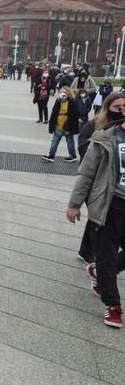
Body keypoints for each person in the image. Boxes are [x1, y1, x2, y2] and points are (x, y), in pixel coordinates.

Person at [66, 112, 125, 328]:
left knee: (106, 264)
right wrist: (74, 204)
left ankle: (99, 271)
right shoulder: (105, 137)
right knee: (106, 257)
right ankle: (113, 305)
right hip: (109, 208)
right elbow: (86, 174)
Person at [76, 95, 125, 264]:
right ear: (107, 106)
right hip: (98, 180)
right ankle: (94, 255)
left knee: (101, 220)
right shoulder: (96, 125)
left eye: (123, 107)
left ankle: (91, 252)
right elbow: (83, 147)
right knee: (97, 217)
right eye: (116, 107)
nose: (120, 110)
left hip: (117, 185)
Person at [42, 87, 79, 163]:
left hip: (67, 126)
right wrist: (51, 126)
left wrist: (73, 126)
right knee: (54, 141)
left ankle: (73, 156)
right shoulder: (58, 101)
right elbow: (53, 113)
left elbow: (75, 115)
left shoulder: (72, 102)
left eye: (64, 92)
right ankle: (51, 156)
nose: (62, 94)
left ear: (68, 94)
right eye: (61, 92)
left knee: (70, 142)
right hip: (58, 126)